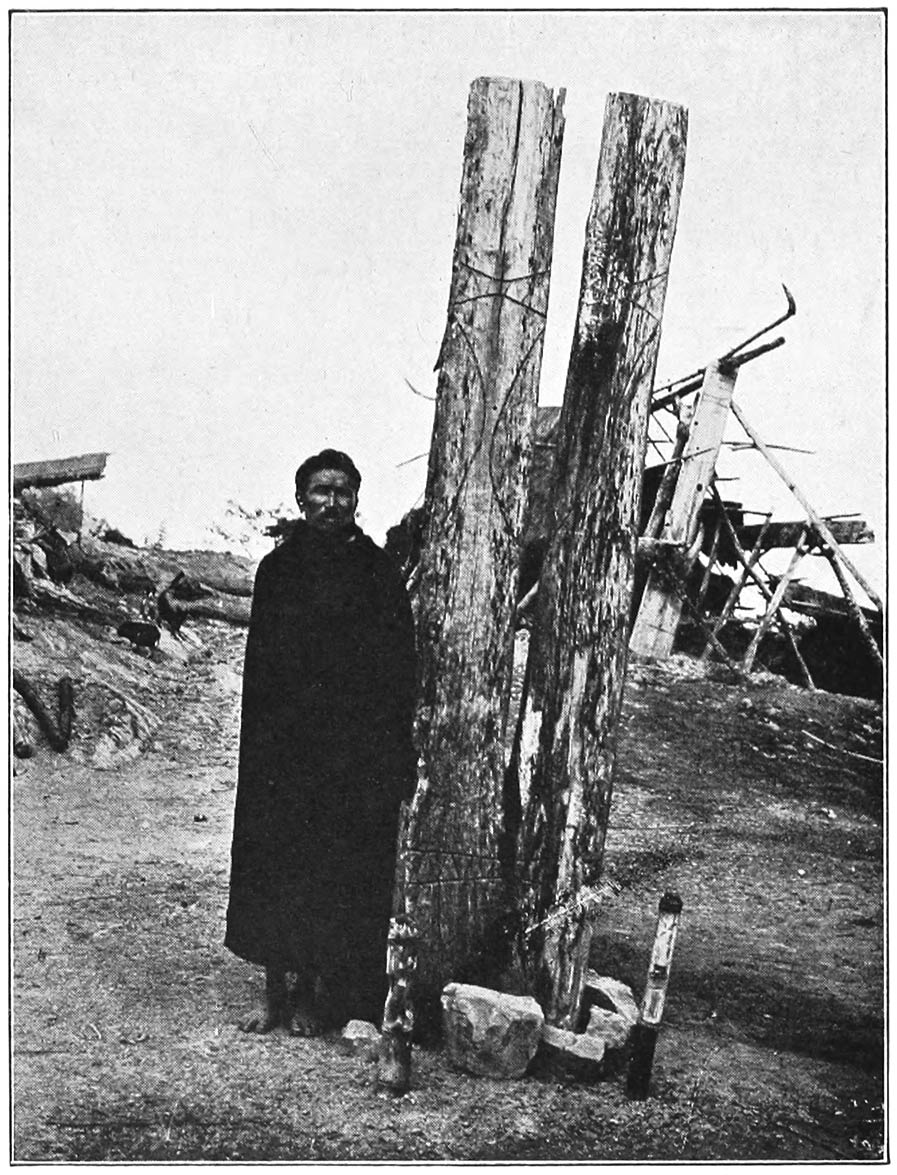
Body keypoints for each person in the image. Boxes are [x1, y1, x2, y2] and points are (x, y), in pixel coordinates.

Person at [225, 449, 417, 1035]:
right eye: (320, 491)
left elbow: (397, 665)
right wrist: (262, 742)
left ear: (356, 499)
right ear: (300, 499)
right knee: (274, 860)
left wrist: (385, 749)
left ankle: (312, 993)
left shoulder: (377, 571)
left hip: (347, 750)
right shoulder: (277, 571)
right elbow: (260, 664)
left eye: (341, 492)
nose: (331, 502)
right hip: (283, 747)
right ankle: (272, 992)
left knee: (331, 867)